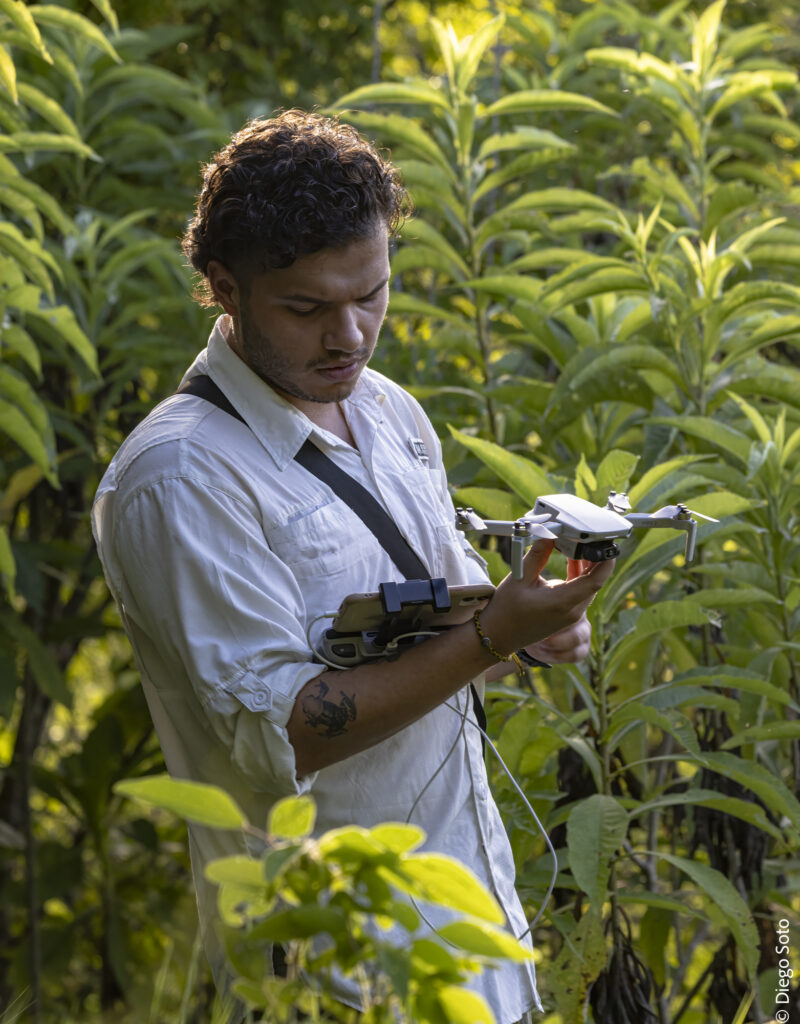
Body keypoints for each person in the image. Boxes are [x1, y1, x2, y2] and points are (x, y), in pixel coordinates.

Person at [92, 109, 614, 1023]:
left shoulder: (388, 413)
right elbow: (281, 734)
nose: (351, 336)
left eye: (371, 294)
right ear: (223, 288)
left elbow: (448, 627)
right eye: (307, 308)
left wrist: (531, 627)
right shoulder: (180, 477)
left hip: (473, 937)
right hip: (329, 970)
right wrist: (498, 633)